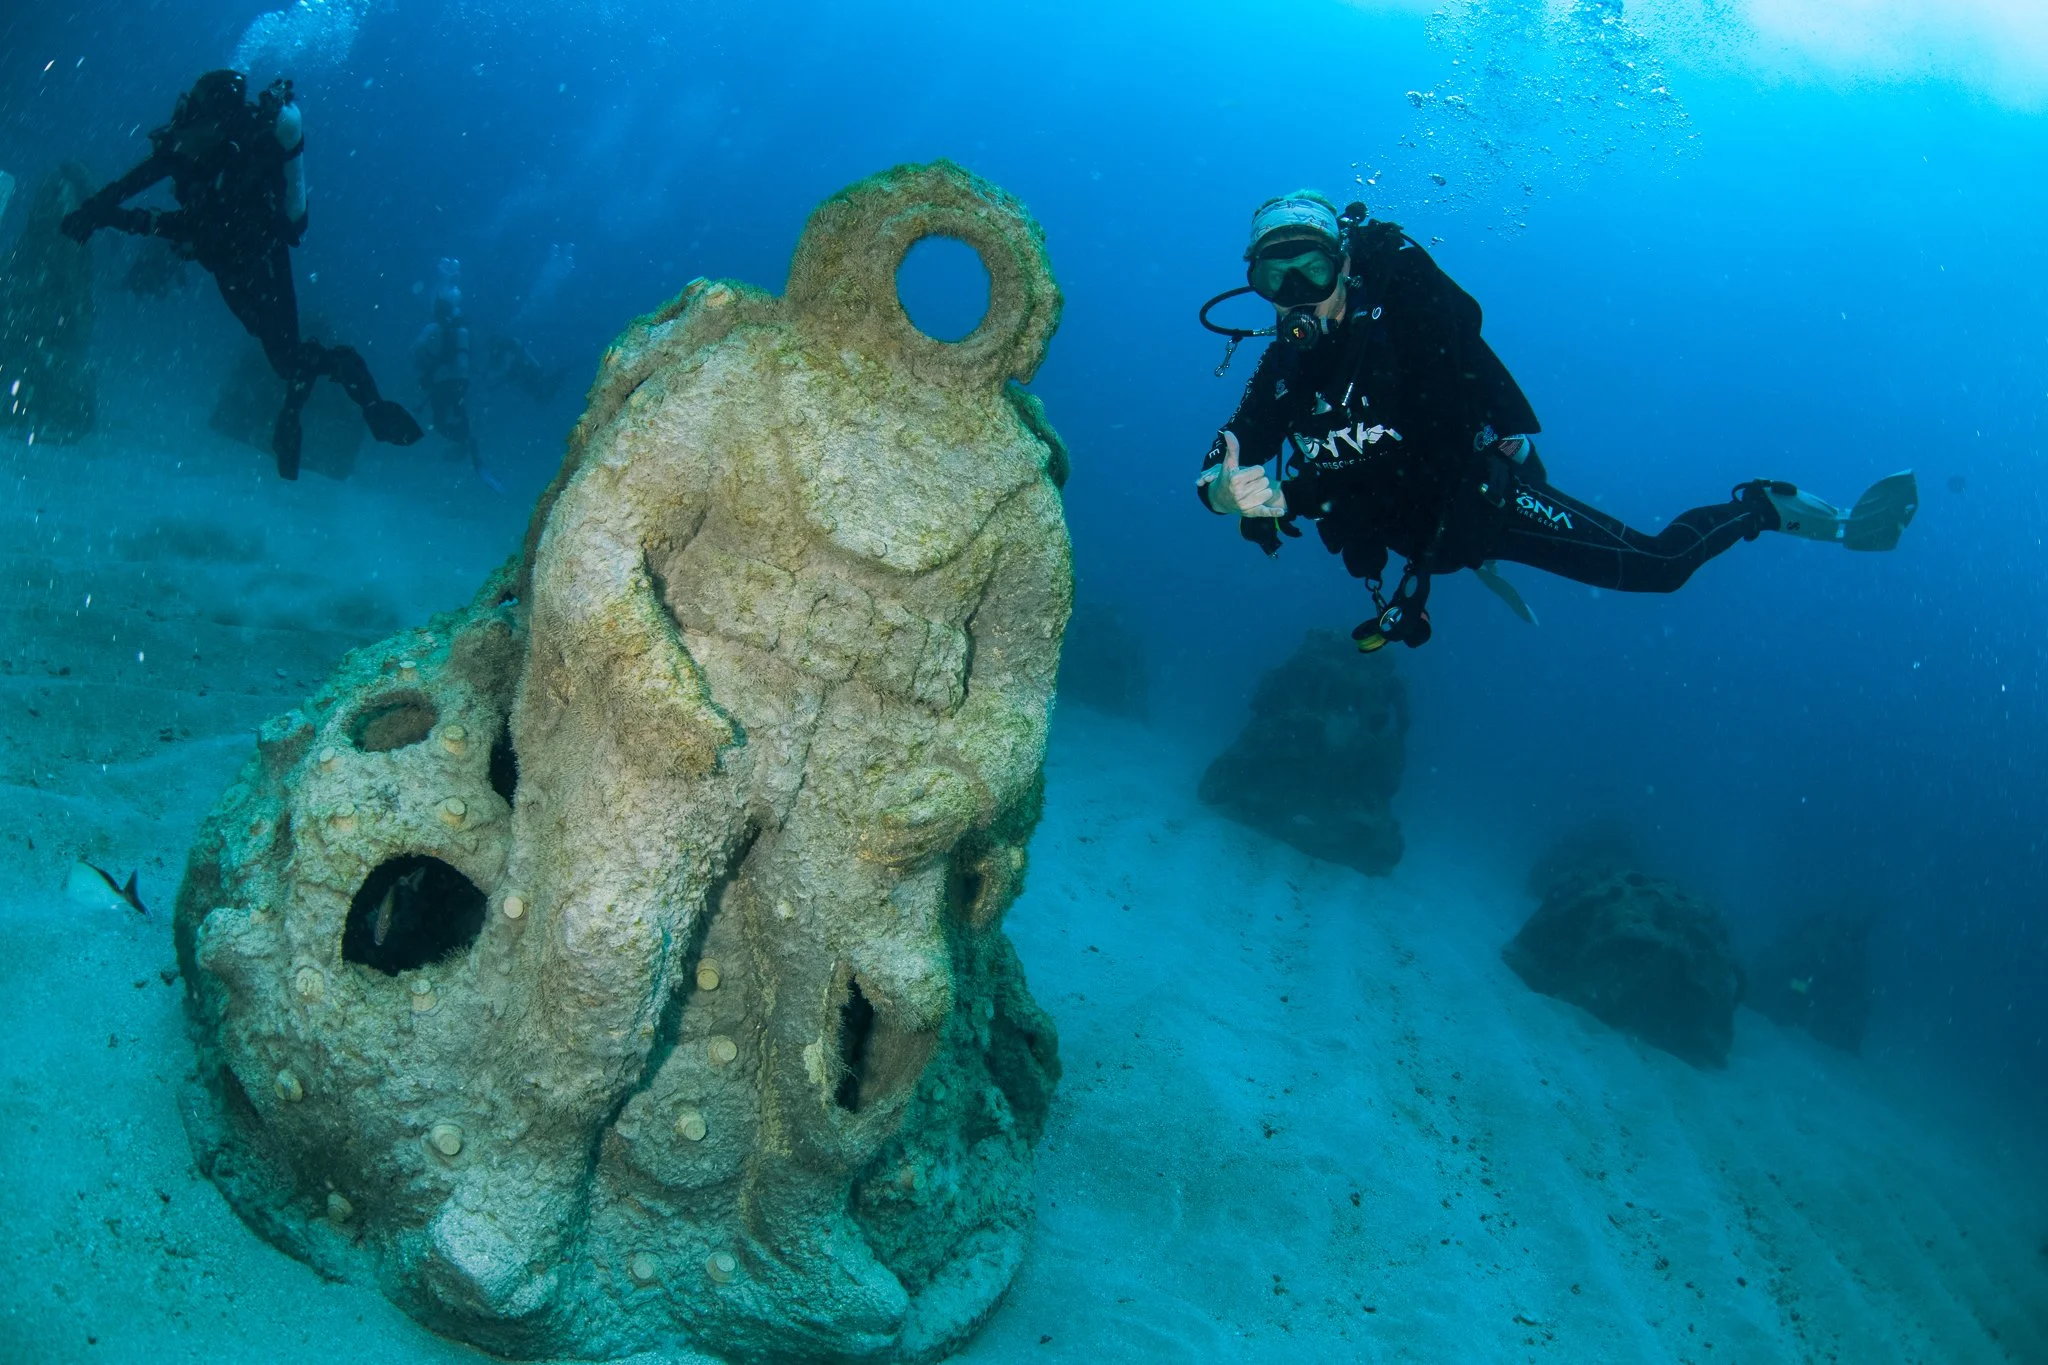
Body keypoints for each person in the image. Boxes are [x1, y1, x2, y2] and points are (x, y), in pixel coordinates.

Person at [1196, 192, 1917, 651]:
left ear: (1345, 268)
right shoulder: (1285, 369)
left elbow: (1437, 449)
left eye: (1309, 273)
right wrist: (1221, 492)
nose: (1294, 296)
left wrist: (1301, 496)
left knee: (1659, 566)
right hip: (1416, 537)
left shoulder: (1400, 332)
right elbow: (1226, 454)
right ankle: (1469, 563)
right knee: (1436, 545)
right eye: (1273, 279)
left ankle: (1764, 506)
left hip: (1482, 501)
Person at [60, 69, 422, 478]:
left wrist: (122, 219)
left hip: (259, 263)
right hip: (225, 263)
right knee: (283, 359)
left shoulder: (243, 167)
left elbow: (197, 228)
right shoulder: (189, 145)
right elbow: (137, 178)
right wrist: (95, 208)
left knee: (288, 359)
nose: (181, 120)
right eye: (185, 107)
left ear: (217, 121)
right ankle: (299, 407)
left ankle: (367, 405)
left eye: (192, 112)